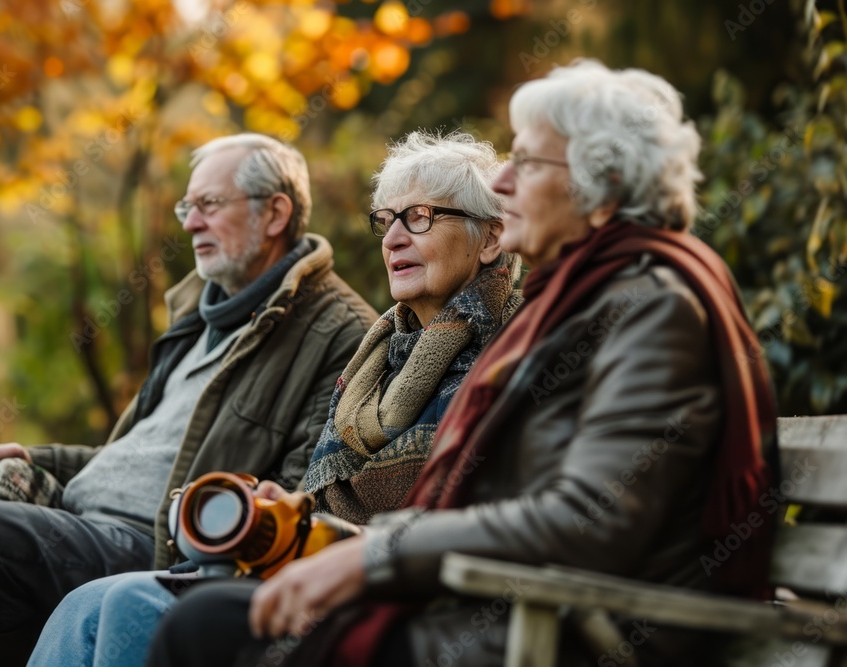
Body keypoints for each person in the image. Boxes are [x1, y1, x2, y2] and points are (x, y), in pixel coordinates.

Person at [145, 60, 778, 667]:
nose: (501, 184)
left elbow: (586, 517)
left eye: (526, 163)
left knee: (204, 626)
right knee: (210, 608)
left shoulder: (649, 310)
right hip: (510, 609)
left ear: (600, 189)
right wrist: (345, 543)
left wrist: (374, 557)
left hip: (571, 633)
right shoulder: (578, 305)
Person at [27, 130, 523, 667]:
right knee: (86, 603)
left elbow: (473, 515)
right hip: (318, 560)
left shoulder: (507, 350)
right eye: (386, 220)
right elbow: (318, 497)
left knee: (130, 601)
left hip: (404, 591)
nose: (394, 238)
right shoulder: (378, 356)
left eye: (420, 217)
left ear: (491, 239)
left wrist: (325, 538)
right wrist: (285, 507)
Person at [0, 133, 378, 666]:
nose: (189, 222)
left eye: (209, 204)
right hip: (87, 520)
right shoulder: (197, 319)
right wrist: (35, 460)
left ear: (275, 213)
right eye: (187, 205)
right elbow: (136, 452)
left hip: (163, 543)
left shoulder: (340, 333)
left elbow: (301, 490)